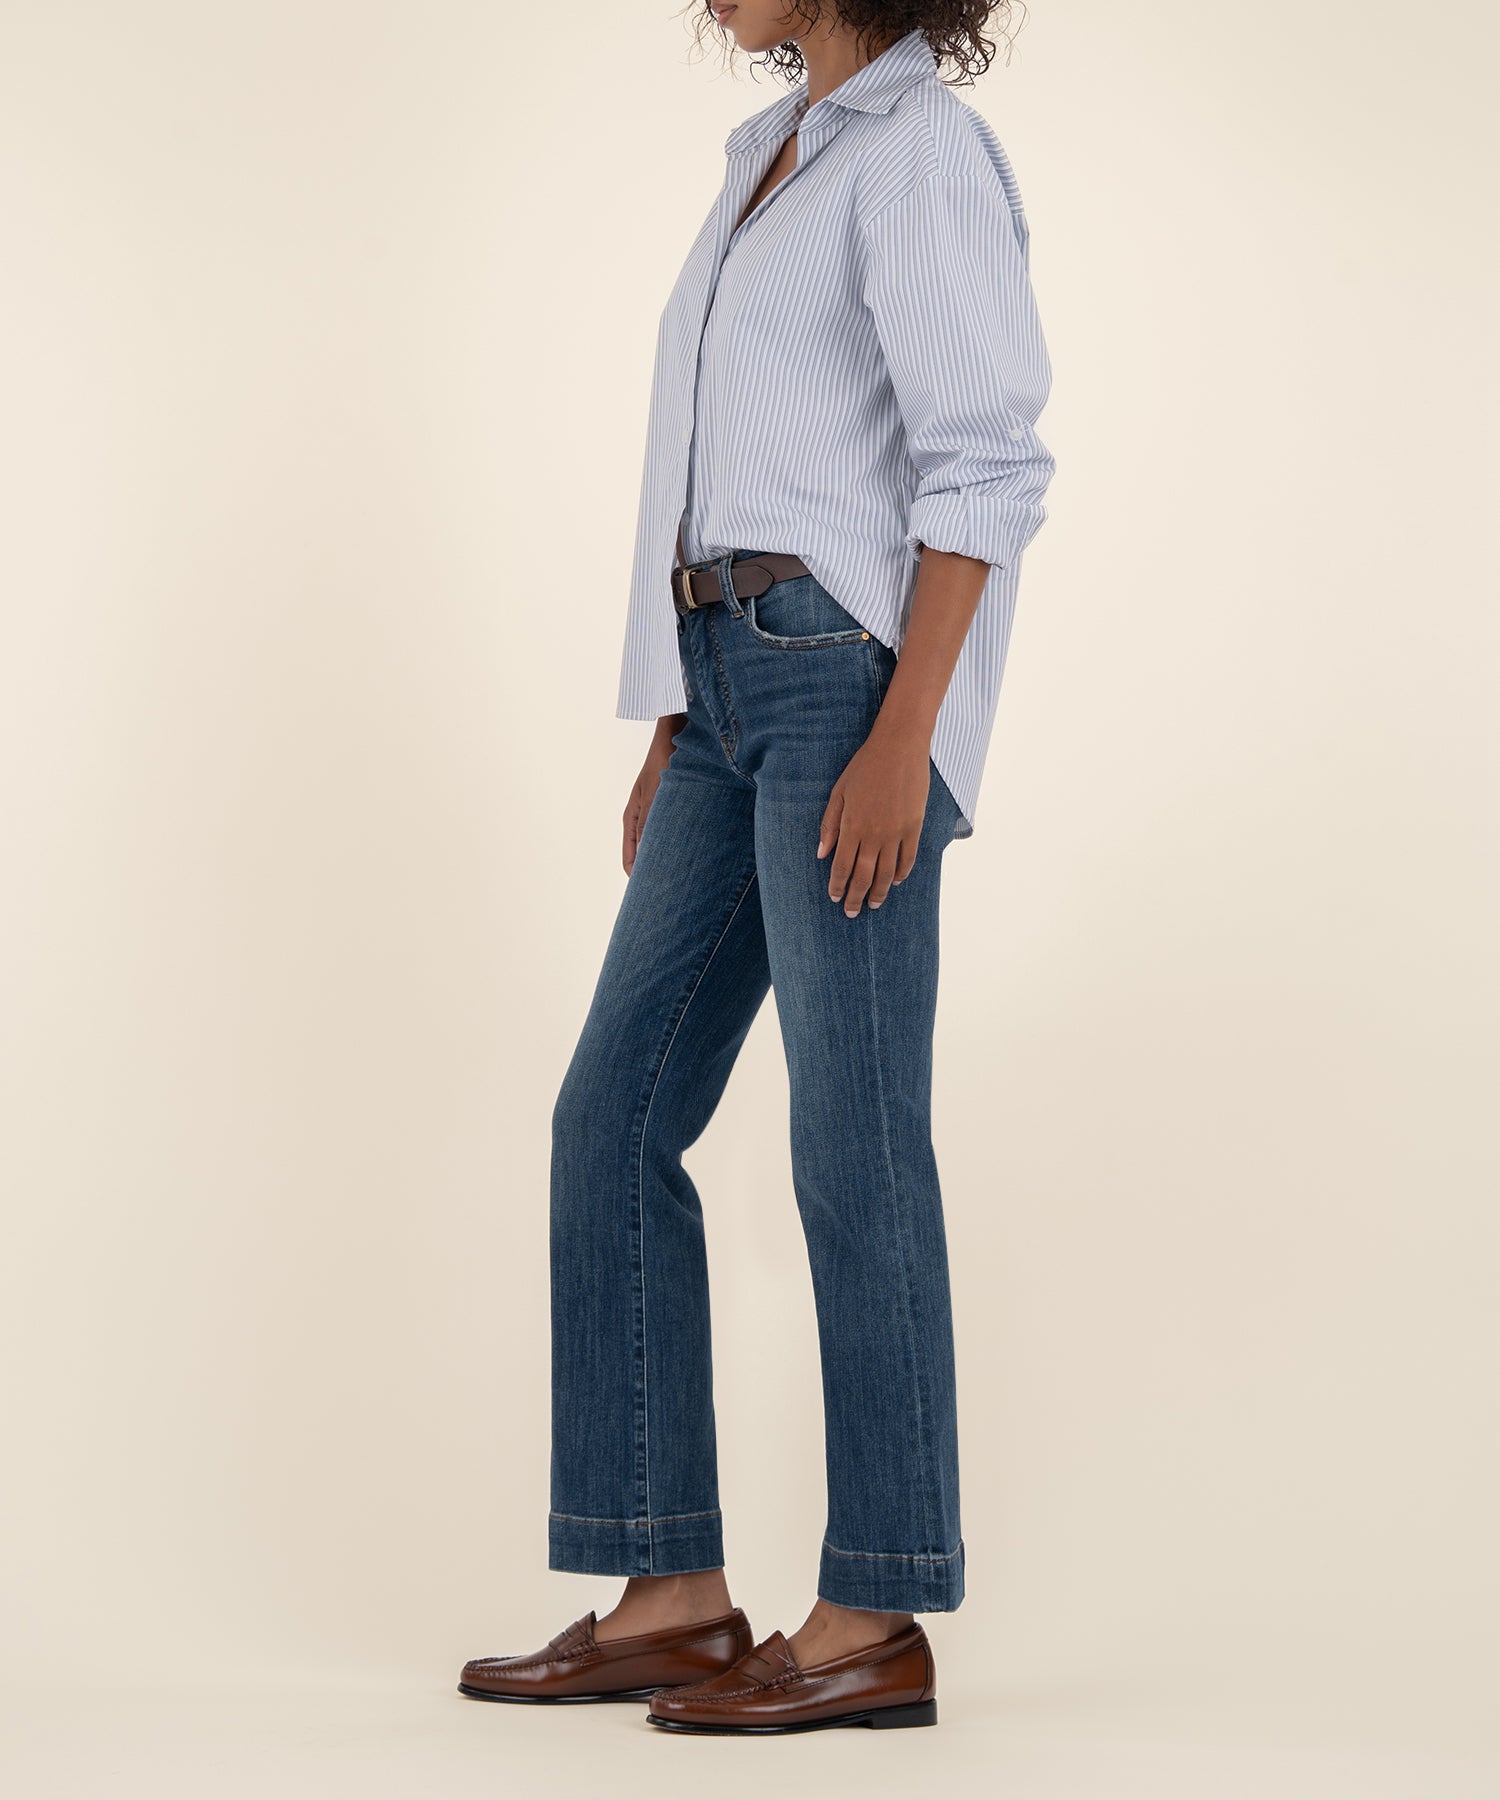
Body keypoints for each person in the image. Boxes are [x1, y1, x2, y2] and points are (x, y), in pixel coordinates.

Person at [458, 1, 1055, 1735]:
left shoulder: (922, 155)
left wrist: (906, 734)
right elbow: (721, 460)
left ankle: (874, 1610)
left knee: (852, 1139)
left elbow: (985, 464)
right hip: (723, 686)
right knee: (612, 1114)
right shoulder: (769, 158)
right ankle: (671, 1593)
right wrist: (672, 715)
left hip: (843, 684)